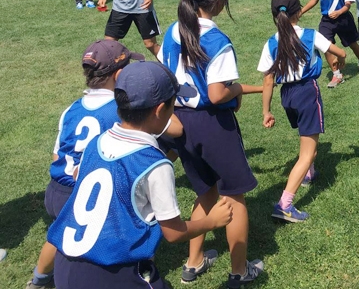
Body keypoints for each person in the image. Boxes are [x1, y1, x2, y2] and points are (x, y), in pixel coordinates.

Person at [47, 61, 233, 289]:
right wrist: (212, 221)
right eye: (173, 104)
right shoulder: (154, 163)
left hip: (64, 266)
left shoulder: (95, 143)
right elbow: (173, 232)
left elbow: (79, 175)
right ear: (159, 110)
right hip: (111, 274)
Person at [159, 0, 264, 287]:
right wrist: (237, 90)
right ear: (219, 1)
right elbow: (218, 94)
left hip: (180, 121)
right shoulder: (217, 39)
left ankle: (193, 263)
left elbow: (164, 76)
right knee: (234, 197)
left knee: (205, 192)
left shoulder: (172, 31)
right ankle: (239, 270)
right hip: (212, 125)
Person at [26, 40, 146, 289]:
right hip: (86, 191)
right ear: (120, 74)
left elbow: (57, 154)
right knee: (90, 243)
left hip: (57, 186)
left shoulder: (72, 109)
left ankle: (37, 279)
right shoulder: (118, 112)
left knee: (58, 237)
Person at [259, 0, 346, 221]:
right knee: (308, 151)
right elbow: (339, 51)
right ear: (299, 12)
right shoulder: (310, 35)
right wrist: (341, 59)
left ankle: (309, 173)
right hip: (307, 92)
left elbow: (268, 80)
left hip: (287, 96)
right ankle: (285, 204)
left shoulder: (270, 43)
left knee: (306, 136)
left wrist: (266, 111)